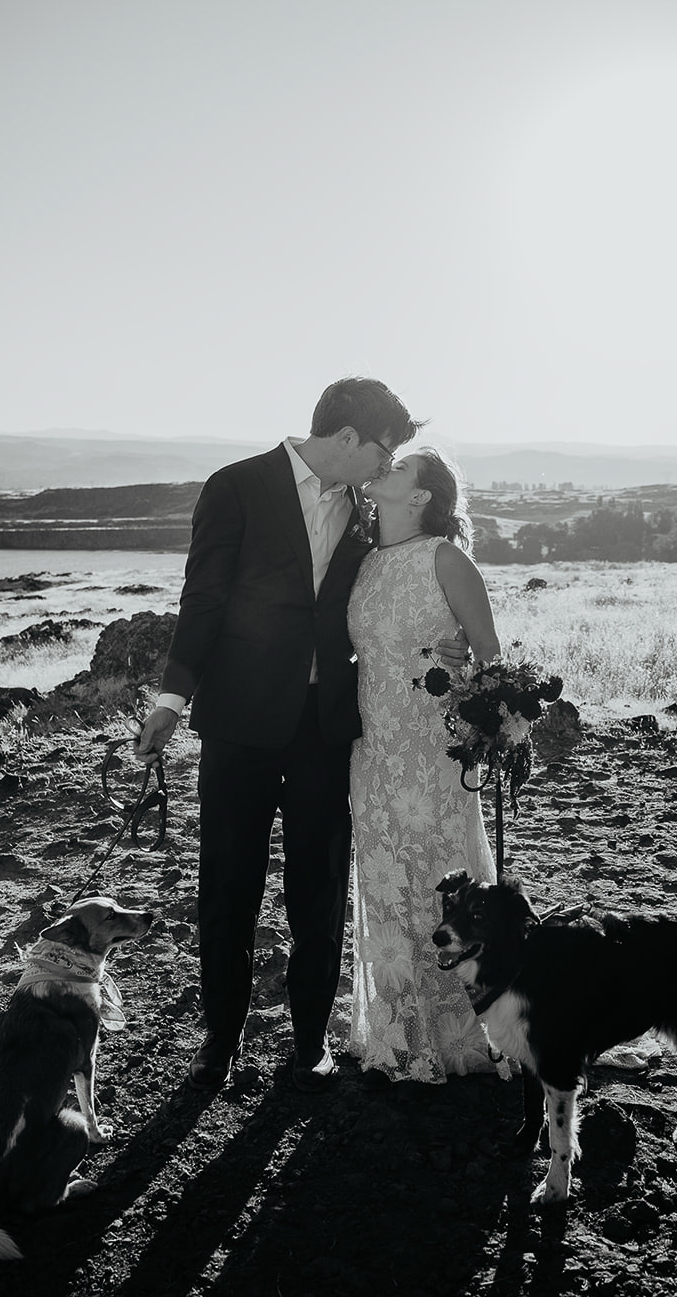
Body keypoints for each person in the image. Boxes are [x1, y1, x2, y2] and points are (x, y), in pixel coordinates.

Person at [134, 379, 463, 1094]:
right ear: (346, 438)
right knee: (228, 883)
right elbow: (205, 593)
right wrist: (171, 694)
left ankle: (308, 1041)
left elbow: (404, 586)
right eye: (382, 448)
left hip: (324, 727)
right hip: (238, 723)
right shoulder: (237, 485)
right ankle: (219, 1044)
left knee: (317, 886)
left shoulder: (365, 512)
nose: (385, 465)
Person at [348, 445, 502, 1085]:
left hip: (432, 755)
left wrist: (464, 680)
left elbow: (492, 663)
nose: (384, 466)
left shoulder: (446, 558)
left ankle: (463, 1028)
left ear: (420, 497)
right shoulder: (366, 564)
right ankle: (397, 1026)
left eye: (400, 466)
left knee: (441, 883)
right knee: (386, 883)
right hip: (375, 752)